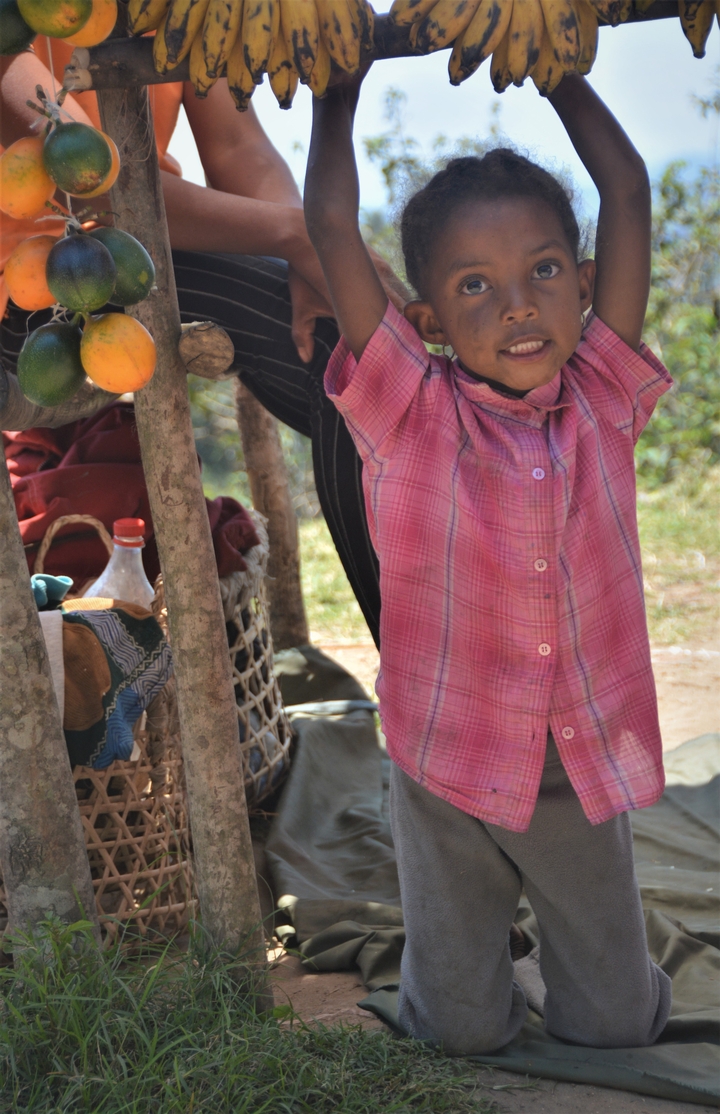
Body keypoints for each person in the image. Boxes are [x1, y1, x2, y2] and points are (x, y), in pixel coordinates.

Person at [303, 67, 673, 1054]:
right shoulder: (406, 412)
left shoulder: (601, 396)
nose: (518, 306)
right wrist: (339, 90)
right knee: (457, 1034)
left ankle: (583, 959)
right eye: (476, 285)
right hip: (445, 764)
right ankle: (481, 961)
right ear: (425, 321)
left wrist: (560, 75)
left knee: (617, 1027)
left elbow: (627, 189)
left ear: (585, 283)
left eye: (544, 271)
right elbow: (332, 227)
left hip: (573, 766)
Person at [1, 43, 404, 645]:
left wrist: (310, 262)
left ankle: (455, 675)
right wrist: (300, 237)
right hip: (30, 288)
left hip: (138, 252)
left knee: (357, 355)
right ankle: (422, 690)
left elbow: (238, 147)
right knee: (339, 347)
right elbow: (86, 178)